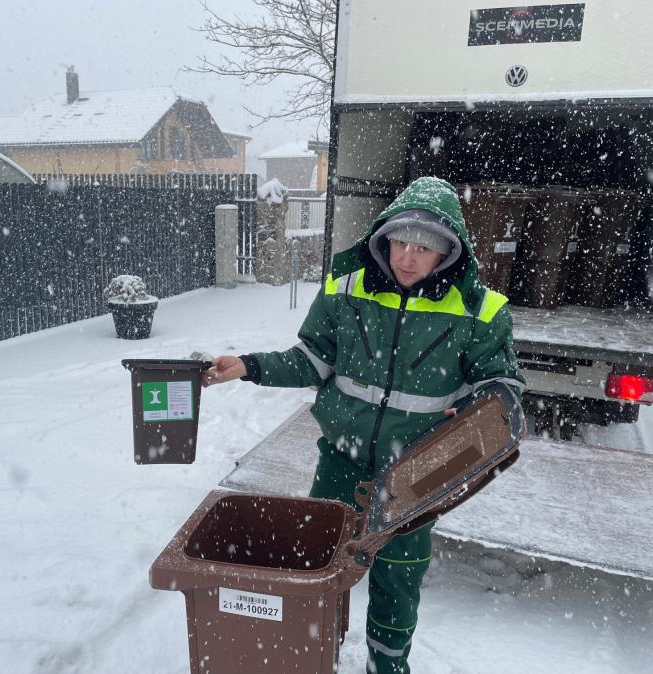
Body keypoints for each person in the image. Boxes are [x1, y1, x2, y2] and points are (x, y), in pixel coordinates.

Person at [203, 176, 525, 674]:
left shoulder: (480, 311)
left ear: (448, 253)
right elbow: (312, 359)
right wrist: (249, 366)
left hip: (416, 475)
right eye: (401, 241)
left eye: (425, 247)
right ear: (384, 237)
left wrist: (478, 413)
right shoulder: (346, 289)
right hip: (340, 461)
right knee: (320, 563)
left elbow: (502, 386)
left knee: (398, 578)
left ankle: (387, 666)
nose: (408, 257)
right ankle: (314, 650)